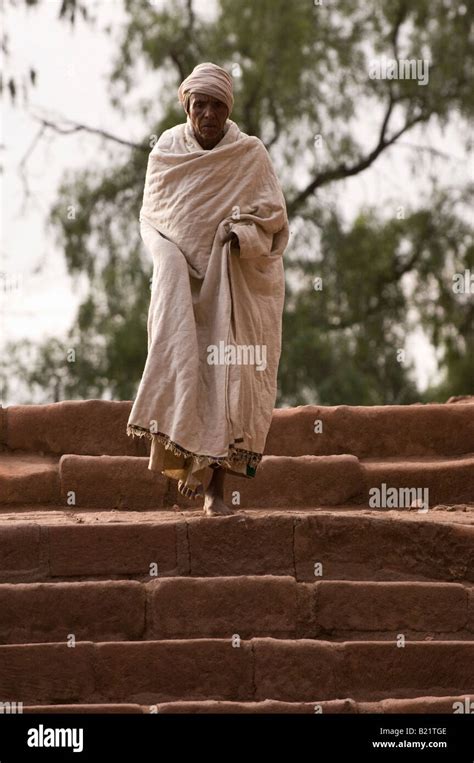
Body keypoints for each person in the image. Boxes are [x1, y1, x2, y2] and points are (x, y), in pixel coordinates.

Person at [127, 62, 289, 516]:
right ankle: (186, 460)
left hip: (234, 280)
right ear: (187, 106)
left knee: (228, 377)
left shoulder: (249, 154)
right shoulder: (166, 151)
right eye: (201, 104)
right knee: (181, 359)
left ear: (228, 108)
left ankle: (216, 491)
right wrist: (169, 260)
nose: (209, 114)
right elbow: (152, 217)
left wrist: (241, 235)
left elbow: (273, 219)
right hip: (179, 276)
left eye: (218, 105)